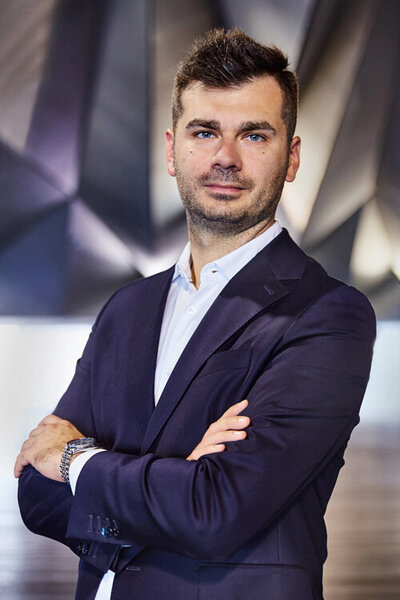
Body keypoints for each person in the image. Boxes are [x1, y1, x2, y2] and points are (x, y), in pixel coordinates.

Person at [15, 28, 376, 600]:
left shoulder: (328, 315)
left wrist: (78, 460)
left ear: (292, 157)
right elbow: (36, 494)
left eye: (254, 135)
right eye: (204, 131)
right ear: (171, 150)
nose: (225, 158)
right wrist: (176, 474)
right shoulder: (127, 308)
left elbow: (217, 511)